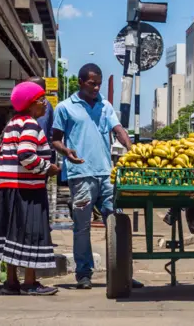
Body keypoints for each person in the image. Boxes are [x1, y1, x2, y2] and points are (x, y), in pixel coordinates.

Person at [51, 63, 142, 290]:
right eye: (92, 83)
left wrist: (133, 150)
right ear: (81, 82)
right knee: (82, 227)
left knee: (118, 222)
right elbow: (55, 139)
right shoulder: (65, 107)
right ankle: (84, 274)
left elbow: (118, 130)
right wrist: (65, 152)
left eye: (99, 83)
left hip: (107, 175)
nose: (96, 87)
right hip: (80, 175)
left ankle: (123, 273)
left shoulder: (105, 105)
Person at [0, 81, 60, 296]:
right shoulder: (31, 125)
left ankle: (11, 281)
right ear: (32, 104)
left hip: (5, 188)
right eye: (42, 100)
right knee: (30, 234)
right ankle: (30, 283)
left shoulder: (12, 123)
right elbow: (26, 156)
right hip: (25, 190)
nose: (45, 105)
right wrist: (48, 168)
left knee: (11, 236)